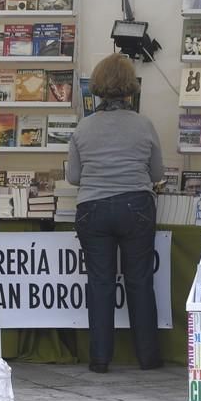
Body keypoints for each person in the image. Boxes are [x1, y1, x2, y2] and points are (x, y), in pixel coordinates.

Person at [67, 53, 164, 374]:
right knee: (139, 281)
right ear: (130, 87)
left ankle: (99, 359)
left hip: (92, 209)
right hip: (135, 207)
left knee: (100, 284)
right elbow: (156, 173)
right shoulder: (144, 124)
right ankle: (148, 358)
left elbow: (74, 177)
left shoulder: (84, 127)